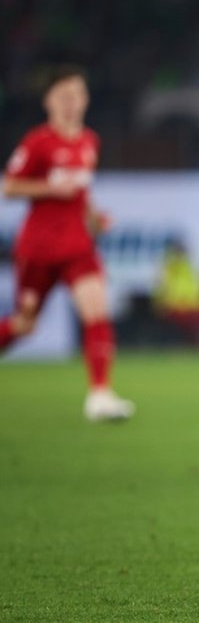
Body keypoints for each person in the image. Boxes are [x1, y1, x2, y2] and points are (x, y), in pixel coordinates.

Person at [0, 65, 135, 420]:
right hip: (38, 249)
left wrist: (95, 219)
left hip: (76, 246)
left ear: (86, 100)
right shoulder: (37, 143)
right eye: (63, 96)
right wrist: (49, 188)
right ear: (49, 102)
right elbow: (9, 186)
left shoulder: (90, 141)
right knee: (24, 324)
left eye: (76, 95)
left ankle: (100, 395)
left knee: (97, 311)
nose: (71, 103)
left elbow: (82, 192)